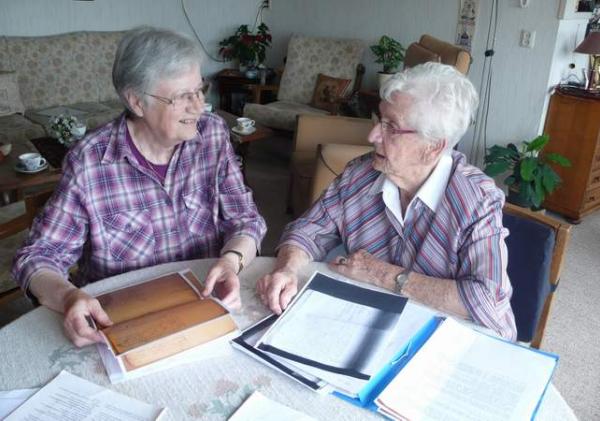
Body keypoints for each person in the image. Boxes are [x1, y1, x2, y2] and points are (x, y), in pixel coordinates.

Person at [12, 27, 266, 347]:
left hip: (201, 307)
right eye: (182, 96)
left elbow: (246, 219)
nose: (199, 106)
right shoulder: (91, 162)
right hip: (122, 324)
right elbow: (38, 256)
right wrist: (68, 297)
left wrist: (231, 261)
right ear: (136, 101)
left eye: (200, 90)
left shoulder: (213, 135)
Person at [257, 62, 517, 340]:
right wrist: (287, 268)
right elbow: (307, 230)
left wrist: (381, 274)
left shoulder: (476, 200)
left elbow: (487, 301)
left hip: (457, 341)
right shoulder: (360, 174)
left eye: (392, 127)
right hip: (380, 327)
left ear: (433, 147)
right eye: (378, 119)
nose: (372, 136)